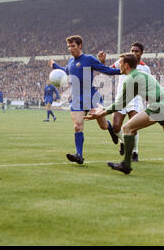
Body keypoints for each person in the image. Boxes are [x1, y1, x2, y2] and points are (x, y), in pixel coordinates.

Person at [85, 53, 164, 177]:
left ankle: (126, 164)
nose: (119, 66)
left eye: (120, 63)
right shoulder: (141, 74)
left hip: (159, 107)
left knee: (127, 128)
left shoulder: (131, 78)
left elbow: (119, 104)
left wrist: (100, 114)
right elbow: (124, 102)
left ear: (127, 65)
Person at [48, 35, 120, 164]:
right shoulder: (70, 61)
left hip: (92, 97)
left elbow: (106, 70)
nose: (70, 49)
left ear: (80, 46)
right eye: (69, 46)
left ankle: (110, 128)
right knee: (77, 126)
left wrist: (122, 71)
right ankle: (79, 155)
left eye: (73, 46)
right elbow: (66, 71)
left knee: (102, 125)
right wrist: (55, 66)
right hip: (77, 99)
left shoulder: (88, 59)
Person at [97, 42, 151, 162]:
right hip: (120, 98)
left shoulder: (145, 68)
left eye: (136, 51)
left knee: (133, 127)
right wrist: (102, 62)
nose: (134, 53)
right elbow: (107, 71)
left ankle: (135, 152)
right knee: (116, 126)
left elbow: (147, 85)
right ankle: (123, 141)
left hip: (135, 100)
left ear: (141, 53)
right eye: (132, 50)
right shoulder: (120, 62)